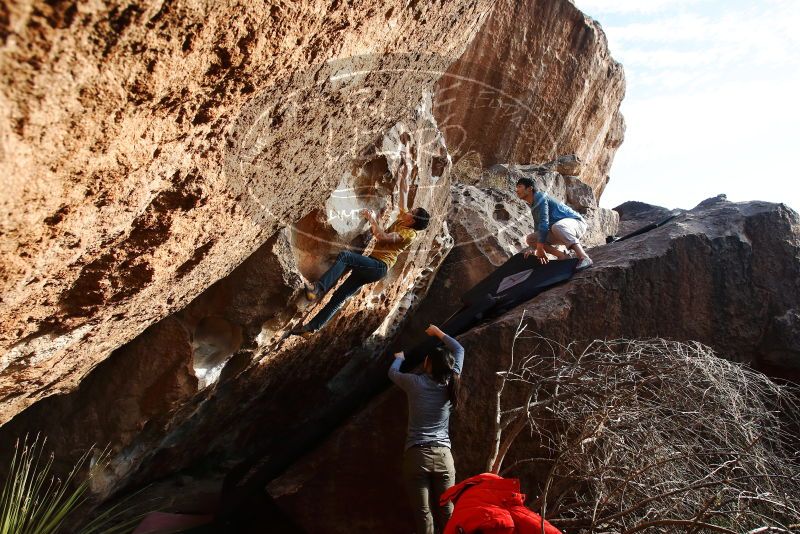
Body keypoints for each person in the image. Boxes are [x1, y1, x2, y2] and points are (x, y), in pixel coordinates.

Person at [290, 171, 430, 335]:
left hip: (378, 267)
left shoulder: (409, 234)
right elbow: (403, 194)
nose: (408, 210)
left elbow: (382, 236)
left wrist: (371, 219)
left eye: (411, 211)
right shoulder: (404, 220)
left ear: (412, 220)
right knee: (339, 297)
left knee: (345, 256)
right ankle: (311, 328)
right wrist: (402, 176)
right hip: (372, 265)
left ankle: (317, 289)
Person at [389, 324, 464, 534]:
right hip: (443, 456)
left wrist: (400, 358)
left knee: (423, 513)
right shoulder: (452, 381)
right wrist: (439, 333)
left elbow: (392, 373)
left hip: (417, 456)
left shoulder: (414, 383)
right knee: (448, 510)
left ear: (428, 364)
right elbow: (459, 350)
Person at [514, 176, 593, 270]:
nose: (516, 190)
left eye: (519, 186)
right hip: (560, 230)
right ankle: (562, 256)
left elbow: (544, 223)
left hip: (576, 223)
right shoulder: (533, 204)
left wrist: (540, 248)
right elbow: (539, 228)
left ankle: (584, 257)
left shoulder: (540, 197)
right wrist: (533, 248)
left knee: (557, 226)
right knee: (530, 239)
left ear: (530, 188)